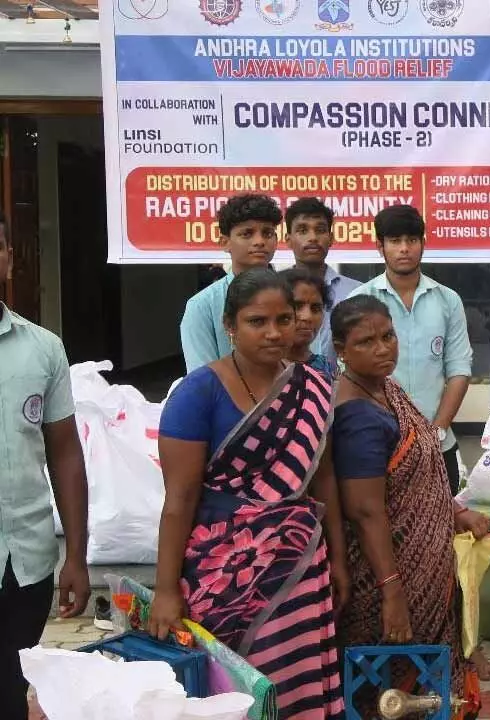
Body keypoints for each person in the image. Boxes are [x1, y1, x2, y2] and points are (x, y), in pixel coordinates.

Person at [150, 268, 348, 719]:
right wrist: (165, 589)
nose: (274, 332)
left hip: (298, 569)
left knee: (296, 689)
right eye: (257, 321)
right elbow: (178, 500)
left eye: (284, 319)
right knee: (230, 694)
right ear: (230, 326)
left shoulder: (313, 388)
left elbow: (323, 479)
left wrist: (337, 556)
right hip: (221, 575)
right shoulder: (197, 393)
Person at [329, 296, 490, 719]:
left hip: (423, 574)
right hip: (388, 578)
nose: (383, 348)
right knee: (389, 695)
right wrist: (393, 592)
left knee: (421, 690)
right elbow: (366, 511)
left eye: (388, 336)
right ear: (340, 350)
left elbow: (414, 479)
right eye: (366, 341)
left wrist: (456, 513)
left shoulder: (386, 389)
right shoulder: (357, 415)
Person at [0, 212, 90, 719]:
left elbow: (65, 453)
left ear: (9, 260)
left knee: (14, 688)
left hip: (26, 561)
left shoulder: (42, 348)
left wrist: (76, 554)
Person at [351, 205, 472, 496]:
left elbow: (458, 370)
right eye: (394, 241)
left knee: (441, 535)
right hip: (379, 446)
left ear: (423, 243)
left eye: (412, 240)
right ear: (379, 246)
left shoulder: (448, 300)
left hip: (438, 444)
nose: (404, 249)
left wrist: (437, 431)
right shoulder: (359, 301)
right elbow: (352, 377)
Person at [181, 194, 282, 372]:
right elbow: (203, 381)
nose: (259, 242)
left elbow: (308, 363)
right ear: (225, 242)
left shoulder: (294, 295)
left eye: (267, 233)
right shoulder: (202, 306)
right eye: (247, 234)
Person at [285, 197, 362, 365]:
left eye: (320, 230)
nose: (313, 238)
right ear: (288, 239)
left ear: (331, 238)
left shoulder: (357, 293)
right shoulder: (275, 290)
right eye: (303, 230)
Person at [280, 267, 336, 381]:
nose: (307, 317)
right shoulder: (260, 369)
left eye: (315, 309)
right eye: (297, 306)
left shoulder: (326, 370)